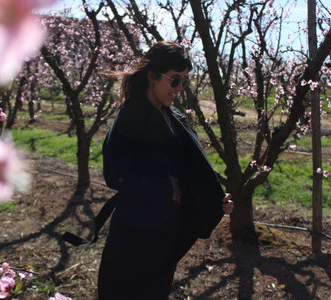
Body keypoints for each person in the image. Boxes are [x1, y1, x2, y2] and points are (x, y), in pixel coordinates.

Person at [98, 41, 234, 300]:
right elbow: (115, 173)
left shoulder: (174, 117)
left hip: (164, 235)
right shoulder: (131, 116)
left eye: (183, 81)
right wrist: (164, 187)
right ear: (152, 76)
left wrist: (213, 197)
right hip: (133, 237)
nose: (180, 88)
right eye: (174, 80)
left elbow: (188, 166)